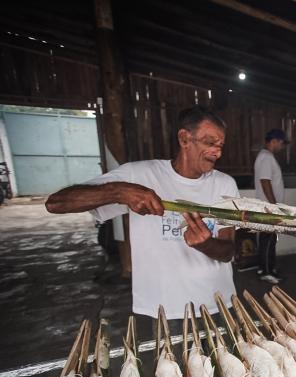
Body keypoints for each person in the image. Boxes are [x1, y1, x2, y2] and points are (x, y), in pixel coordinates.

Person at [45, 106, 239, 325]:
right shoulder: (138, 175)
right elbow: (56, 204)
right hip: (164, 308)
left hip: (217, 303)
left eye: (220, 145)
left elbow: (227, 252)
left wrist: (205, 244)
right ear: (184, 138)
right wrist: (119, 191)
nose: (218, 152)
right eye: (210, 142)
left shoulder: (225, 184)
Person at [254, 128, 288, 284]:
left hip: (266, 206)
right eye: (281, 143)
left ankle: (266, 267)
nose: (282, 146)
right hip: (268, 207)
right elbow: (265, 181)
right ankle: (267, 272)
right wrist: (274, 205)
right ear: (274, 141)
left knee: (268, 238)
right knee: (268, 239)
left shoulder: (266, 157)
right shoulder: (267, 158)